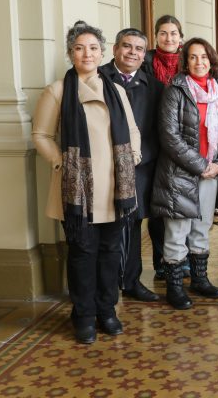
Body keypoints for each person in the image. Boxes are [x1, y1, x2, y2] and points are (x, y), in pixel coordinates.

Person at [32, 21, 141, 344]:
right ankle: (83, 315)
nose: (87, 53)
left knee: (110, 251)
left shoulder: (116, 89)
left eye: (93, 48)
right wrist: (61, 162)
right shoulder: (58, 91)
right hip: (77, 190)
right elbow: (40, 135)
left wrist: (132, 156)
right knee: (82, 252)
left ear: (102, 52)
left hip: (114, 187)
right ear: (70, 53)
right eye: (79, 48)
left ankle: (107, 310)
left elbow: (132, 131)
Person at [151, 37, 218, 309]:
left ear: (212, 60)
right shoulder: (174, 90)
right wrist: (202, 166)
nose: (199, 62)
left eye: (204, 57)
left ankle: (200, 279)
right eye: (193, 57)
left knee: (201, 228)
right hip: (179, 174)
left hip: (211, 171)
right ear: (185, 62)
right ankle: (175, 287)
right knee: (177, 231)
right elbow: (169, 137)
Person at [99, 28, 163, 302]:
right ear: (115, 49)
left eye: (139, 49)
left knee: (133, 224)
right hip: (103, 165)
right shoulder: (98, 78)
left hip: (139, 166)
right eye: (127, 46)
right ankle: (105, 285)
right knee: (105, 226)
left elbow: (156, 130)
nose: (132, 53)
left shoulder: (154, 87)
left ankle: (132, 280)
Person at [142, 14, 184, 279]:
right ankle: (160, 262)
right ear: (156, 36)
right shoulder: (145, 62)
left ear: (181, 37)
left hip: (183, 144)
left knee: (183, 205)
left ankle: (183, 259)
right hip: (151, 141)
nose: (169, 38)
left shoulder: (190, 61)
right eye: (163, 33)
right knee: (157, 207)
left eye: (173, 33)